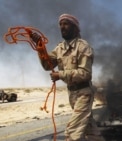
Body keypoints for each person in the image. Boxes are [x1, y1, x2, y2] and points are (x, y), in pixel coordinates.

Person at [31, 13, 105, 141]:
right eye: (60, 24)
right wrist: (40, 46)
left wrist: (60, 75)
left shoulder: (83, 47)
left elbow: (85, 73)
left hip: (84, 94)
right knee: (90, 129)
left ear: (75, 27)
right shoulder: (60, 48)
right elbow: (47, 64)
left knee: (72, 132)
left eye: (66, 24)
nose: (62, 27)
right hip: (72, 94)